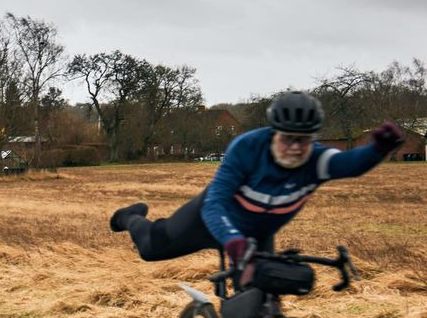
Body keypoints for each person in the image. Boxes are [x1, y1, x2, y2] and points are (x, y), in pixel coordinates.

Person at [110, 91, 405, 270]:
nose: (295, 147)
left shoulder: (315, 160)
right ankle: (131, 217)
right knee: (151, 249)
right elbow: (215, 203)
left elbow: (349, 165)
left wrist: (378, 148)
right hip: (209, 220)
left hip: (256, 234)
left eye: (303, 140)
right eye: (287, 138)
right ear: (273, 132)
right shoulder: (248, 148)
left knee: (263, 299)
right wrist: (232, 239)